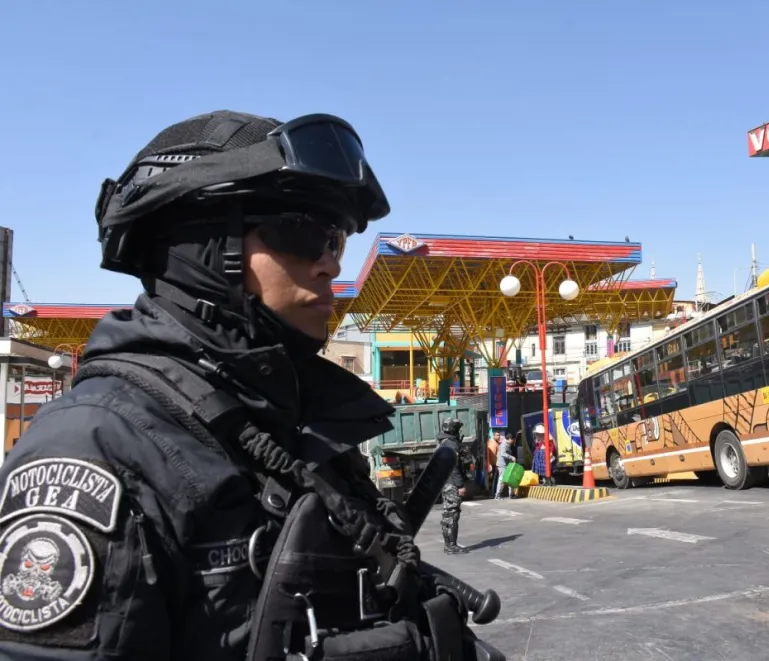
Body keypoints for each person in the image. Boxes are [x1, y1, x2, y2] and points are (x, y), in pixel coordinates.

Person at [0, 111, 496, 660]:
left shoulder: (290, 424)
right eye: (306, 233)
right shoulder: (97, 447)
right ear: (208, 245)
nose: (330, 264)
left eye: (338, 240)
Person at [437, 417, 469, 555]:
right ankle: (451, 545)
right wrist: (460, 485)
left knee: (448, 514)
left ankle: (449, 545)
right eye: (457, 428)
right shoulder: (450, 444)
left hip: (445, 481)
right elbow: (454, 466)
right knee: (452, 514)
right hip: (451, 483)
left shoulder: (445, 442)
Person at [494, 432, 517, 499]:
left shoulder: (507, 444)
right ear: (510, 439)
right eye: (513, 439)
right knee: (502, 480)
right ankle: (497, 495)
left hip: (507, 464)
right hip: (502, 465)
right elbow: (503, 454)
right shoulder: (504, 444)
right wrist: (511, 457)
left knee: (510, 479)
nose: (513, 441)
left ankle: (511, 494)